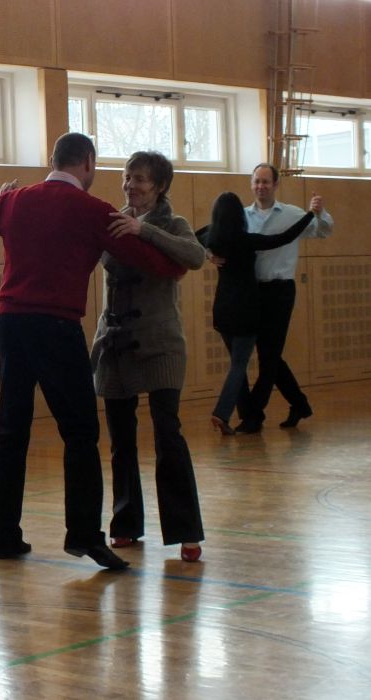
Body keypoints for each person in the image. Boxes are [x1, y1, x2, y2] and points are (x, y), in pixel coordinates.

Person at [0, 133, 187, 570]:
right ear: (88, 162)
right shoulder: (93, 210)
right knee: (79, 433)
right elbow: (155, 263)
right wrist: (170, 257)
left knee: (11, 432)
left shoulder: (15, 200)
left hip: (11, 326)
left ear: (53, 160)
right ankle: (83, 535)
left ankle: (5, 535)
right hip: (57, 328)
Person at [91, 151, 206, 563]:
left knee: (167, 435)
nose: (131, 185)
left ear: (160, 187)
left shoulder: (173, 224)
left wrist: (144, 231)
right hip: (116, 344)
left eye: (140, 179)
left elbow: (195, 256)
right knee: (121, 440)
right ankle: (125, 522)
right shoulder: (112, 221)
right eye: (127, 177)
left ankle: (185, 530)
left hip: (160, 345)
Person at [198, 192, 319, 437]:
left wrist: (208, 253)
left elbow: (192, 235)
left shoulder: (213, 237)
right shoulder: (246, 240)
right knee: (243, 364)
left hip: (222, 309)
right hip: (246, 308)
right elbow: (284, 238)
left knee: (257, 360)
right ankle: (227, 412)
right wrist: (310, 215)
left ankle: (258, 413)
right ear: (239, 216)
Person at [233, 164, 333, 433]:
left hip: (280, 291)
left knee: (268, 356)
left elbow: (323, 231)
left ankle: (253, 415)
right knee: (270, 355)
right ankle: (299, 404)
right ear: (251, 184)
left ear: (276, 185)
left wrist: (320, 212)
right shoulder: (242, 217)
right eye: (257, 181)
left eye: (266, 182)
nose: (261, 186)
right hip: (252, 292)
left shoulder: (292, 214)